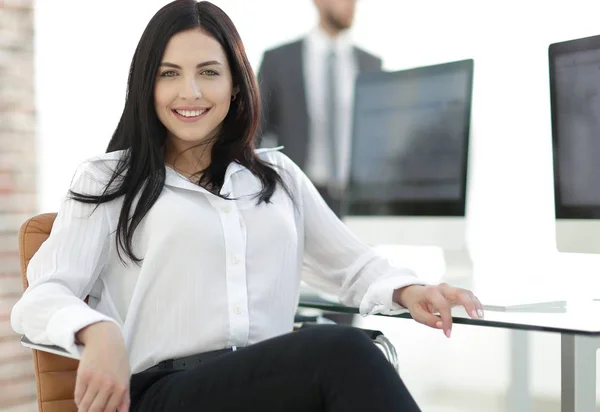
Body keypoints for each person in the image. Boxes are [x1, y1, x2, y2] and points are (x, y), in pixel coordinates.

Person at [10, 1, 484, 411]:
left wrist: (408, 290)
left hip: (268, 388)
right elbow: (42, 297)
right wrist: (98, 332)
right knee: (343, 352)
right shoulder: (109, 179)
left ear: (236, 83)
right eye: (169, 74)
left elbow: (354, 267)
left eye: (209, 73)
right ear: (146, 87)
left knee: (345, 361)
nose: (190, 92)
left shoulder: (278, 178)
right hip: (163, 394)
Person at [257, 0, 382, 216]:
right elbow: (254, 130)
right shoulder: (279, 60)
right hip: (297, 196)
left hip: (357, 199)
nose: (353, 4)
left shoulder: (371, 64)